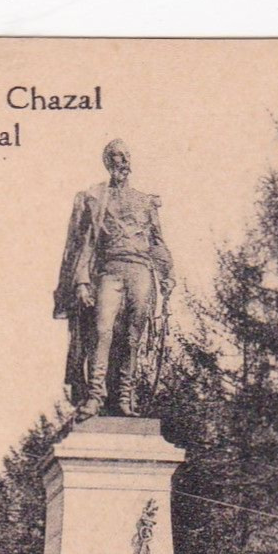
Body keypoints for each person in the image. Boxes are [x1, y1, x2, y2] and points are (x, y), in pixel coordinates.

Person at [54, 139, 174, 420]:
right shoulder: (96, 198)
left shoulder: (145, 201)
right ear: (107, 163)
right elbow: (85, 243)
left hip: (141, 270)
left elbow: (157, 241)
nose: (120, 161)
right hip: (109, 270)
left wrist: (167, 273)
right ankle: (95, 396)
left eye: (124, 156)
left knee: (133, 337)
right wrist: (82, 281)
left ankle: (125, 397)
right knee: (102, 330)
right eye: (114, 157)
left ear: (130, 161)